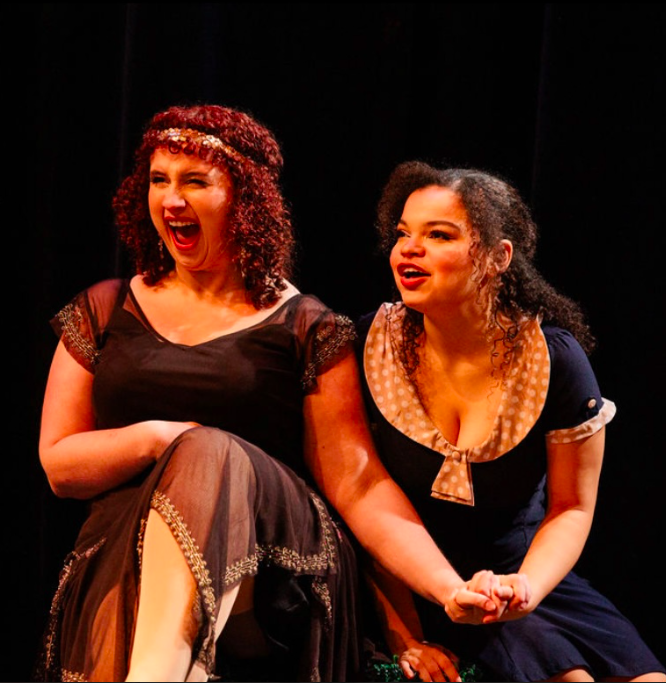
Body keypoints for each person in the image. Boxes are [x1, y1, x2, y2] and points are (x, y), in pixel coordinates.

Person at [36, 105, 514, 683]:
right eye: (160, 180)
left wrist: (440, 593)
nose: (172, 199)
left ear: (245, 197)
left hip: (276, 569)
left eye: (195, 182)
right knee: (172, 498)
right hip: (124, 546)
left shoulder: (305, 326)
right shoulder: (105, 309)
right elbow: (59, 465)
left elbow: (358, 484)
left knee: (211, 452)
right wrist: (165, 437)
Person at [355, 161, 666, 682]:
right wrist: (403, 635)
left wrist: (527, 587)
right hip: (414, 583)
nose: (409, 249)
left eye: (438, 235)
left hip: (521, 581)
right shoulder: (372, 347)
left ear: (499, 258)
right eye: (404, 233)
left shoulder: (551, 359)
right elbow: (357, 499)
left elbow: (571, 507)